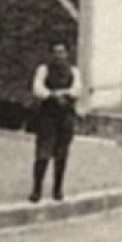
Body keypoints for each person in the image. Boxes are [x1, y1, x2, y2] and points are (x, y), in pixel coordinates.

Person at [29, 43, 83, 203]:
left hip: (65, 116)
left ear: (67, 54)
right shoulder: (43, 70)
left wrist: (64, 94)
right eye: (56, 52)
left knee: (62, 153)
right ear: (51, 54)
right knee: (43, 153)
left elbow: (77, 89)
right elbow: (38, 89)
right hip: (48, 116)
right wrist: (52, 95)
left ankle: (57, 189)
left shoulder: (74, 71)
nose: (59, 56)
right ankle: (36, 189)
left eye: (62, 52)